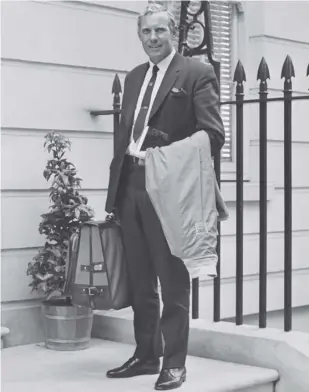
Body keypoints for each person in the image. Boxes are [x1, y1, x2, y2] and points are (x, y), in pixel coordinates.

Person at [105, 3, 225, 390]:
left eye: (159, 31)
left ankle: (174, 362)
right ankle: (146, 354)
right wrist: (114, 196)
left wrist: (168, 151)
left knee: (172, 280)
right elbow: (125, 139)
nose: (153, 38)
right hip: (131, 187)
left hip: (169, 188)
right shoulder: (136, 76)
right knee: (140, 279)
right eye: (146, 32)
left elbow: (213, 134)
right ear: (139, 36)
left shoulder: (196, 73)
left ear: (173, 31)